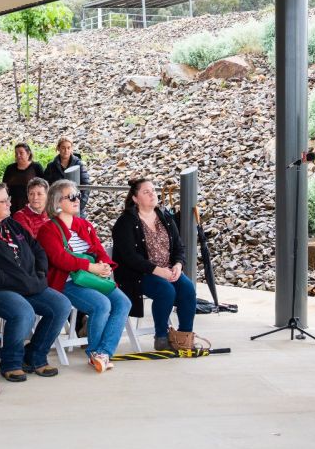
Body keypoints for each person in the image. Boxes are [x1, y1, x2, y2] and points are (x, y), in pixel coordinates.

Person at [0, 181, 71, 382]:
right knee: (22, 311)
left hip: (27, 285)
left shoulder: (11, 224)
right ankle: (11, 362)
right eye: (4, 201)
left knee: (61, 304)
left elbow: (37, 249)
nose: (10, 203)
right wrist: (16, 282)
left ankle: (35, 355)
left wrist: (39, 273)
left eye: (8, 199)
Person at [38, 179, 130, 373]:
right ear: (56, 202)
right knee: (101, 305)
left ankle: (104, 353)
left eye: (78, 195)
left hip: (93, 278)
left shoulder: (84, 225)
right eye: (71, 196)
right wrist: (91, 267)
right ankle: (95, 353)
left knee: (123, 303)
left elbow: (98, 250)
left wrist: (105, 266)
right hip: (68, 282)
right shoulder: (48, 229)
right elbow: (59, 259)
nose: (77, 199)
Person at [112, 178, 198, 352]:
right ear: (135, 198)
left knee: (188, 289)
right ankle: (161, 337)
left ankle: (184, 337)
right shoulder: (125, 222)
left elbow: (179, 247)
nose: (152, 194)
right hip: (138, 274)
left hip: (167, 269)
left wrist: (178, 265)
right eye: (146, 192)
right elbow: (130, 257)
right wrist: (158, 271)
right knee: (166, 291)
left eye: (153, 190)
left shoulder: (165, 216)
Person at [43, 137, 91, 210]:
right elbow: (45, 186)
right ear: (58, 148)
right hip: (57, 207)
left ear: (72, 149)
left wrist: (80, 205)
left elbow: (86, 185)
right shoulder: (51, 166)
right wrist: (51, 204)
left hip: (76, 206)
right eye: (63, 148)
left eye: (68, 148)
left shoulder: (79, 164)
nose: (66, 151)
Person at [2, 143, 44, 214]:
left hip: (31, 204)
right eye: (16, 153)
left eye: (21, 153)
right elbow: (4, 186)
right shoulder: (10, 168)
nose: (18, 155)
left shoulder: (36, 167)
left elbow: (43, 186)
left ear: (28, 153)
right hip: (13, 205)